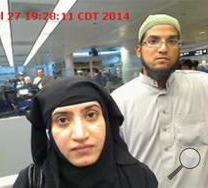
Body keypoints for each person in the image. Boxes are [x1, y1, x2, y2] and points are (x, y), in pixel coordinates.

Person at [111, 14, 208, 188]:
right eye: (153, 41)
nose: (163, 48)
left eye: (172, 41)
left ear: (179, 48)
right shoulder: (119, 101)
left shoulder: (203, 87)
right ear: (139, 50)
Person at [14, 77, 158, 188]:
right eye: (63, 120)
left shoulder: (139, 178)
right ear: (49, 131)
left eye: (91, 115)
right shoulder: (30, 182)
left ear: (107, 121)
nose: (80, 135)